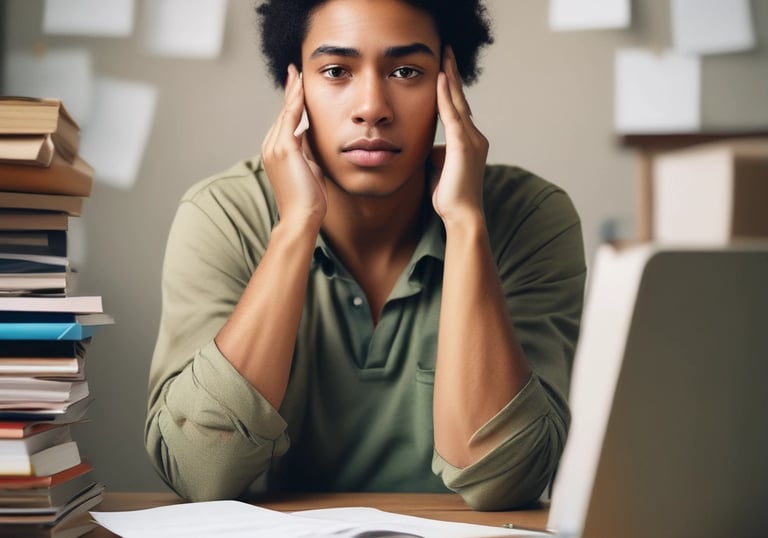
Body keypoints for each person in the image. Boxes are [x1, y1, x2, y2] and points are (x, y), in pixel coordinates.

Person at [145, 0, 586, 511]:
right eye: (335, 71)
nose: (372, 106)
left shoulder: (531, 218)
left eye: (406, 71)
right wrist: (294, 229)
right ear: (298, 87)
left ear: (451, 84)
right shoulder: (223, 214)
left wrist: (465, 224)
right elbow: (198, 470)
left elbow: (506, 482)